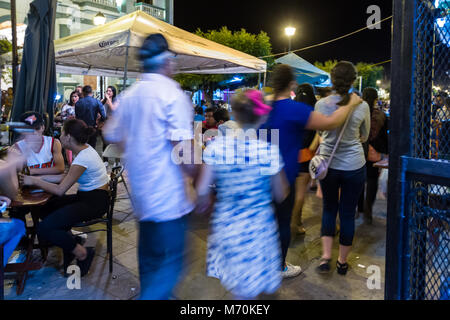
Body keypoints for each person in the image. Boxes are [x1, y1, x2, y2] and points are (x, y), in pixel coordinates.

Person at [103, 33, 197, 300]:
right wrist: (198, 183)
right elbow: (185, 152)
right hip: (168, 199)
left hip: (143, 199)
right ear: (167, 61)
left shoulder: (130, 96)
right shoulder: (171, 94)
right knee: (169, 265)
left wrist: (139, 149)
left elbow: (112, 134)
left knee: (149, 264)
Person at [262, 64, 362, 278]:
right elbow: (330, 123)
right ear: (291, 84)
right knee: (282, 222)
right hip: (283, 177)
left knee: (264, 221)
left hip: (260, 176)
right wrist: (351, 103)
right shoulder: (295, 109)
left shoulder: (261, 107)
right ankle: (279, 267)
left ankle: (260, 262)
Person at [196, 89, 288, 299]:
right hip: (258, 228)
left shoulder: (216, 148)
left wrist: (205, 203)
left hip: (227, 224)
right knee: (251, 287)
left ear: (234, 114)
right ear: (262, 116)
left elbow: (201, 190)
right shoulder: (268, 151)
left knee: (238, 285)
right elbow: (281, 193)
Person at [19, 119, 110, 277]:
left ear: (68, 137)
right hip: (89, 197)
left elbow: (61, 189)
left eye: (61, 133)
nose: (59, 136)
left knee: (44, 228)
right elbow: (65, 177)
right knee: (46, 207)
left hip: (94, 202)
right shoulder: (84, 150)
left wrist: (34, 181)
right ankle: (71, 242)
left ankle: (82, 253)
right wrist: (35, 176)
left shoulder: (83, 158)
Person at [315, 61, 370, 275]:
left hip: (327, 165)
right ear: (353, 81)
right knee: (347, 213)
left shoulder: (321, 104)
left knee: (329, 208)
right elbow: (365, 135)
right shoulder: (362, 105)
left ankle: (326, 256)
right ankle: (342, 262)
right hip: (354, 166)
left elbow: (320, 132)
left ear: (332, 79)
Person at [291, 84, 319, 235]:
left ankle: (291, 220)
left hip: (289, 154)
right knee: (301, 193)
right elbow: (318, 135)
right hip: (306, 155)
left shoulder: (292, 108)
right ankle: (295, 223)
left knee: (289, 192)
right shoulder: (313, 111)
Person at [360, 87, 388, 225]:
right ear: (376, 99)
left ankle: (358, 206)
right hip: (374, 153)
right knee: (372, 180)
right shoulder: (381, 115)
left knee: (358, 178)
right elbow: (385, 136)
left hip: (358, 151)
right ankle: (368, 210)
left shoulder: (358, 112)